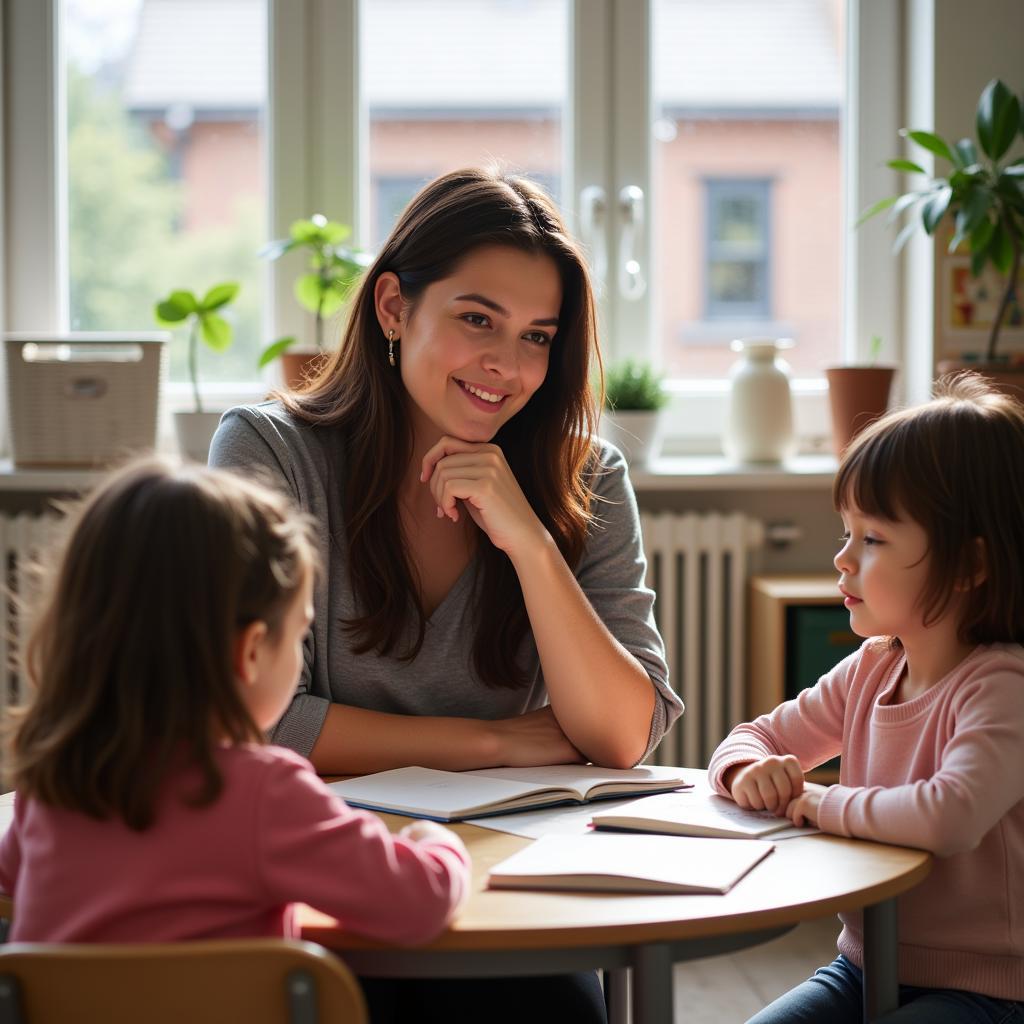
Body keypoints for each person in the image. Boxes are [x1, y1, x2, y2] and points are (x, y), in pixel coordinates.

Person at [210, 166, 682, 1022]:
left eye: (539, 336)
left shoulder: (591, 479)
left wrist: (531, 543)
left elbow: (620, 736)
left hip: (506, 884)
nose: (508, 365)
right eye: (477, 320)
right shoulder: (270, 454)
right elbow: (250, 720)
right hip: (310, 883)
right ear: (393, 307)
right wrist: (497, 744)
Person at [0, 458, 470, 948]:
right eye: (298, 633)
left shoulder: (52, 783)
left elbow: (11, 880)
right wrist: (433, 841)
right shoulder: (265, 794)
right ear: (249, 652)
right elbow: (420, 902)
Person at [708, 374, 1024, 1024]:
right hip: (862, 967)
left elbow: (950, 816)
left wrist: (819, 802)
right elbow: (755, 736)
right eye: (846, 532)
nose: (842, 559)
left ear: (969, 565)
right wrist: (748, 771)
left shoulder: (1002, 685)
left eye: (873, 539)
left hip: (989, 993)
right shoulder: (872, 668)